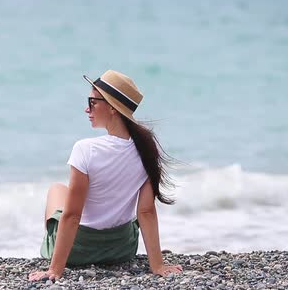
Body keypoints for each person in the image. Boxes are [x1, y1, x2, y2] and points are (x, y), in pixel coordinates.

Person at [28, 70, 183, 281]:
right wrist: (157, 265)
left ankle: (55, 254)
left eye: (92, 102)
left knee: (57, 190)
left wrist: (54, 271)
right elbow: (146, 212)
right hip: (121, 249)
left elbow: (73, 215)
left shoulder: (85, 149)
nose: (87, 109)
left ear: (111, 107)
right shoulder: (146, 148)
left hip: (78, 250)